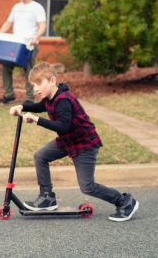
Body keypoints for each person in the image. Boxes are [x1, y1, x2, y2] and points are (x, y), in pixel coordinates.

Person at [8, 62, 139, 222]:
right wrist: (21, 106)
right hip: (68, 140)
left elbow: (63, 127)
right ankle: (47, 198)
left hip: (84, 144)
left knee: (87, 187)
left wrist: (37, 120)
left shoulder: (63, 100)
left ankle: (125, 201)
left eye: (39, 83)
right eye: (33, 85)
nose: (35, 88)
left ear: (52, 81)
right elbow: (38, 106)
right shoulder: (49, 97)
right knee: (40, 156)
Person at [0, 0, 46, 104]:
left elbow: (43, 25)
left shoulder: (37, 7)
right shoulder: (16, 7)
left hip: (29, 45)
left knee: (28, 70)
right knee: (5, 67)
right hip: (15, 44)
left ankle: (29, 98)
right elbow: (8, 23)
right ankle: (9, 94)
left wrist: (36, 37)